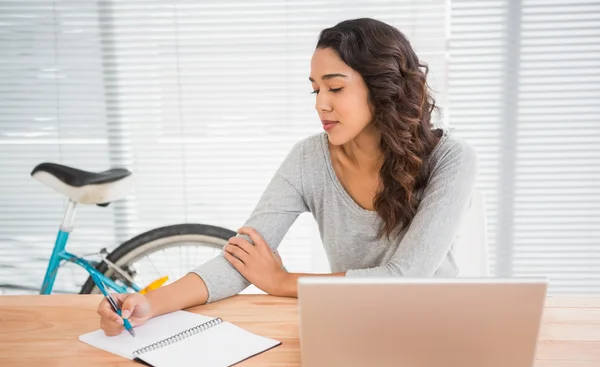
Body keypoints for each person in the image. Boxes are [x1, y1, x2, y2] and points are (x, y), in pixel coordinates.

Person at [97, 17, 478, 336]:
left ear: (383, 87)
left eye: (335, 87)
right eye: (315, 89)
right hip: (356, 325)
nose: (320, 104)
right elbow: (243, 258)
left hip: (435, 331)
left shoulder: (451, 158)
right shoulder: (309, 158)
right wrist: (147, 304)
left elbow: (405, 278)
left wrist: (282, 282)